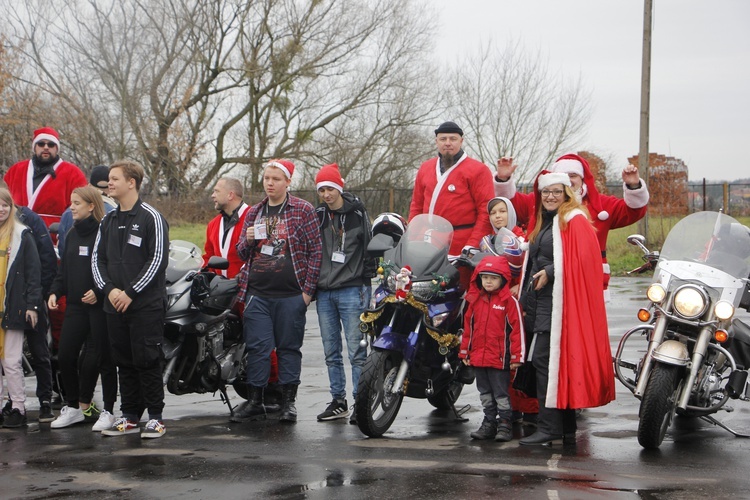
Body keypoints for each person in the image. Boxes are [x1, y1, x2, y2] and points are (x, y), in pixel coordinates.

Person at [517, 171, 615, 446]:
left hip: (561, 304)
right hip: (543, 303)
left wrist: (550, 270)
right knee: (552, 363)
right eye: (546, 192)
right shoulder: (545, 222)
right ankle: (567, 427)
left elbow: (584, 261)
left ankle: (549, 428)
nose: (550, 197)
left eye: (556, 192)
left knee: (544, 362)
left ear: (567, 194)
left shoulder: (575, 219)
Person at [231, 159, 322, 424]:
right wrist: (247, 239)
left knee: (288, 349)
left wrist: (307, 293)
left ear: (287, 182)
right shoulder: (254, 212)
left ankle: (287, 403)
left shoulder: (302, 210)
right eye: (267, 178)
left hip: (291, 294)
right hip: (258, 293)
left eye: (276, 179)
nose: (270, 183)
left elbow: (316, 252)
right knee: (258, 349)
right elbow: (241, 252)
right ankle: (256, 401)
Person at [494, 153, 649, 300]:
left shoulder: (599, 205)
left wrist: (633, 186)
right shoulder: (541, 201)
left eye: (573, 176)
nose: (568, 180)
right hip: (545, 278)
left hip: (585, 278)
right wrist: (503, 179)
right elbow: (512, 205)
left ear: (582, 179)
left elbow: (632, 211)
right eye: (563, 176)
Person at [92, 160, 169, 438]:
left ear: (131, 183)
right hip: (113, 305)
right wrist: (111, 291)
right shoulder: (108, 221)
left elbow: (157, 259)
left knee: (147, 360)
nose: (109, 183)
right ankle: (130, 415)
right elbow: (97, 261)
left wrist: (130, 292)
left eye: (114, 179)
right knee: (123, 360)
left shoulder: (151, 217)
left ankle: (156, 417)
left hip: (145, 306)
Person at [48, 186, 118, 431]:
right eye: (71, 203)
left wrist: (99, 291)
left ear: (91, 206)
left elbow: (112, 269)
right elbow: (64, 271)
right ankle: (74, 408)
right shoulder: (72, 234)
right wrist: (56, 291)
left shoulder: (104, 232)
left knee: (104, 358)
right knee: (65, 356)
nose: (71, 207)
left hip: (99, 307)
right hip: (76, 307)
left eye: (77, 203)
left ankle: (108, 410)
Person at [313, 163, 376, 424]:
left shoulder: (358, 214)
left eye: (330, 189)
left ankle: (361, 401)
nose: (327, 195)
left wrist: (365, 282)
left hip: (352, 290)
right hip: (325, 293)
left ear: (340, 188)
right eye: (322, 190)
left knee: (356, 351)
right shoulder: (317, 215)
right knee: (331, 352)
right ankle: (338, 401)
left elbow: (371, 249)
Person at [480, 197, 539, 426]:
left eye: (502, 211)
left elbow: (530, 268)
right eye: (493, 212)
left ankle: (530, 410)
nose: (497, 216)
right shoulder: (488, 241)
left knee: (519, 359)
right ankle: (509, 410)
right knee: (500, 361)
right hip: (495, 309)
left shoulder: (522, 239)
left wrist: (519, 285)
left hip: (516, 306)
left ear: (511, 213)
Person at [459, 255, 524, 442]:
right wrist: (465, 351)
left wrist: (517, 356)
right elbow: (468, 328)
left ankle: (504, 424)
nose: (488, 281)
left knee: (501, 393)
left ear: (503, 279)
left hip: (499, 358)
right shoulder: (475, 301)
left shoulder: (509, 302)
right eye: (485, 277)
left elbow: (517, 331)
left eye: (493, 278)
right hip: (479, 357)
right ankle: (488, 422)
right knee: (485, 392)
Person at [409, 121, 495, 257]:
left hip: (461, 244)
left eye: (453, 139)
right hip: (427, 241)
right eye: (443, 139)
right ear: (436, 141)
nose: (447, 143)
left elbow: (485, 211)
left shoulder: (478, 170)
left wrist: (473, 244)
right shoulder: (425, 168)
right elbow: (416, 206)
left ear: (461, 141)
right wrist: (412, 237)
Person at [0, 188, 43, 428]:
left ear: (11, 207)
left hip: (13, 307)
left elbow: (33, 273)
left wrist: (32, 305)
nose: (1, 209)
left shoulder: (22, 235)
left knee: (12, 361)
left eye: (5, 205)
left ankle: (18, 407)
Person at [3, 127, 87, 232]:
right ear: (35, 147)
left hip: (53, 234)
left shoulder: (73, 173)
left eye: (51, 144)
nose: (46, 147)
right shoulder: (16, 170)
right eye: (41, 144)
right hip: (17, 232)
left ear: (57, 148)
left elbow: (82, 206)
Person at [58, 165, 117, 255]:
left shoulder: (68, 212)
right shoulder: (115, 213)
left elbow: (62, 249)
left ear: (89, 185)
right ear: (110, 187)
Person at [203, 177, 250, 278]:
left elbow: (260, 256)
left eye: (217, 191)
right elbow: (209, 256)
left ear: (230, 195)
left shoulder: (254, 218)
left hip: (247, 288)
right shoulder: (213, 224)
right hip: (220, 289)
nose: (212, 195)